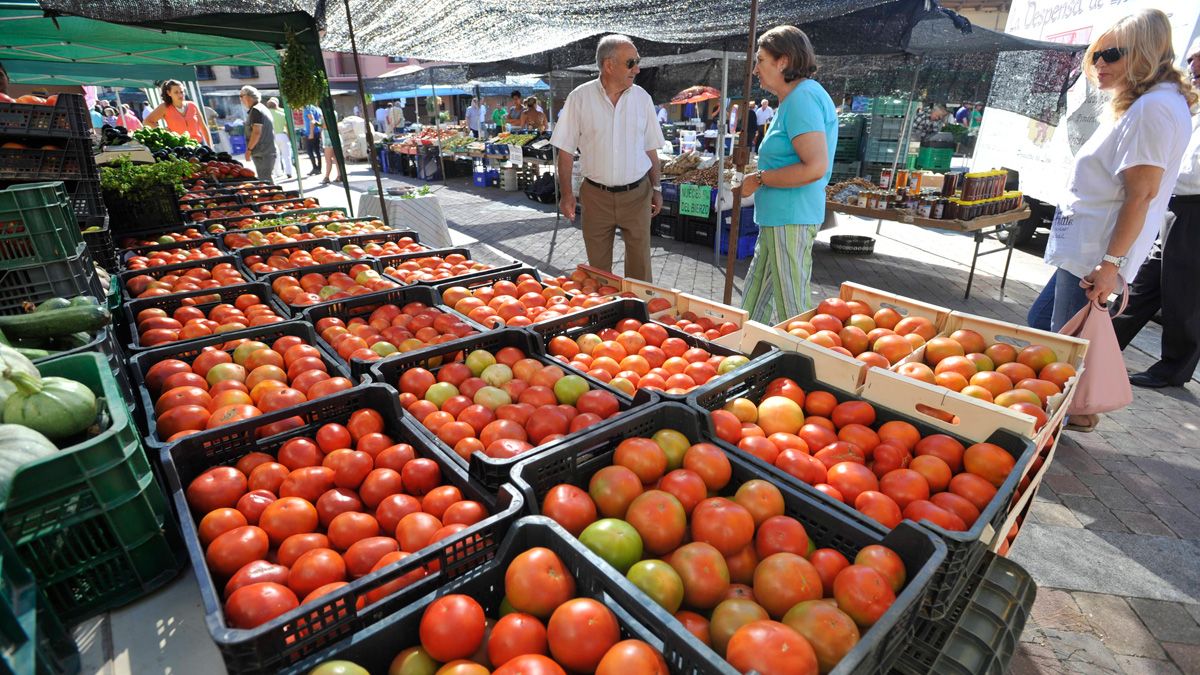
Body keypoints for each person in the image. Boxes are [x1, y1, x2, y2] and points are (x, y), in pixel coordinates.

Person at [1027, 8, 1194, 430]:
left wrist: (1111, 265)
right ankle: (1079, 411)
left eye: (1112, 54)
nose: (1099, 64)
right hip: (1086, 247)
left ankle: (1062, 423)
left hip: (1094, 252)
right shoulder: (1148, 103)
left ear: (1143, 52)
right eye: (1096, 54)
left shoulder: (1153, 108)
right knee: (1047, 331)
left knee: (1061, 350)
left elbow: (1141, 195)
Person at [1112, 36, 1200, 388]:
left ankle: (1173, 369)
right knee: (1145, 281)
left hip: (1194, 207)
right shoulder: (1191, 105)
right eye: (1192, 58)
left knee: (1183, 292)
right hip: (1176, 204)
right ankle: (1104, 342)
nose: (1193, 66)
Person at [738, 25, 837, 324]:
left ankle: (801, 360)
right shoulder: (796, 98)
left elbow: (814, 167)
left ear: (783, 61)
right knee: (757, 299)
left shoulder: (802, 99)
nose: (755, 69)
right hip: (781, 217)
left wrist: (758, 179)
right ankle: (745, 350)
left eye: (760, 60)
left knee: (792, 306)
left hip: (790, 216)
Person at [551, 34, 664, 282]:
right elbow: (565, 151)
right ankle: (605, 316)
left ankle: (638, 317)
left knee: (640, 270)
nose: (637, 68)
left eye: (637, 62)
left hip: (637, 195)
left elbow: (651, 149)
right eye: (631, 62)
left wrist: (656, 187)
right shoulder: (579, 98)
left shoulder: (642, 99)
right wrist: (567, 194)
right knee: (598, 273)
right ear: (608, 65)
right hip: (596, 197)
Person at [143, 80, 212, 145]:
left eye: (182, 92)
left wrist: (210, 146)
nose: (180, 95)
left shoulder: (192, 105)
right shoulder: (164, 107)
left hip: (198, 144)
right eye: (176, 92)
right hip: (179, 146)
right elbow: (147, 121)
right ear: (169, 93)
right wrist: (163, 130)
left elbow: (203, 127)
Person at [239, 85, 277, 184]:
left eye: (241, 96)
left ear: (247, 97)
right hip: (266, 151)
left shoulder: (256, 110)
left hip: (262, 152)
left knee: (265, 181)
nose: (241, 99)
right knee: (267, 179)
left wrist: (249, 150)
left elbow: (256, 132)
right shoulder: (261, 108)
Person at [265, 98, 293, 179]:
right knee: (287, 156)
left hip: (271, 136)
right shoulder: (282, 113)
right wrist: (289, 136)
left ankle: (278, 173)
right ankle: (289, 172)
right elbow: (287, 126)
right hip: (282, 135)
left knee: (275, 156)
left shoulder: (266, 114)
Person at [322, 114, 345, 186]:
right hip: (334, 137)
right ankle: (339, 175)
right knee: (336, 158)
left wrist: (317, 124)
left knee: (328, 160)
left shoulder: (326, 113)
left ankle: (327, 177)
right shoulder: (333, 112)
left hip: (328, 138)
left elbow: (326, 126)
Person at [302, 104, 323, 175]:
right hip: (316, 131)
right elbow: (320, 119)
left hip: (310, 133)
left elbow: (312, 121)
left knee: (310, 151)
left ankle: (315, 168)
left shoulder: (307, 108)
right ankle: (319, 168)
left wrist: (311, 133)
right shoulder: (315, 108)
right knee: (317, 151)